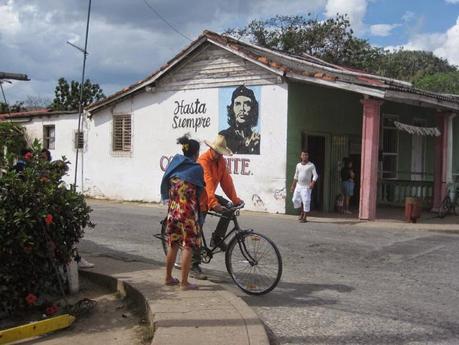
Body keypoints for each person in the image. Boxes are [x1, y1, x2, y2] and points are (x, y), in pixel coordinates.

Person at [190, 134, 243, 280]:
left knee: (230, 208)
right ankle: (194, 266)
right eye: (217, 151)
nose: (219, 154)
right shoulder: (203, 161)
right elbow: (206, 181)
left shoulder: (220, 161)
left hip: (210, 194)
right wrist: (213, 204)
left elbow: (226, 181)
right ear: (211, 149)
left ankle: (217, 238)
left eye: (221, 152)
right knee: (197, 230)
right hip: (199, 197)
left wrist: (235, 199)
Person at [160, 134, 204, 290]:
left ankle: (168, 277)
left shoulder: (174, 166)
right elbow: (199, 192)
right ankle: (184, 283)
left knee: (173, 244)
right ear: (196, 154)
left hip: (173, 213)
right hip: (187, 214)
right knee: (188, 246)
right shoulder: (196, 169)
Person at [219, 85, 260, 154]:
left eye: (247, 104)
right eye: (238, 104)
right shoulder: (223, 136)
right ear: (232, 109)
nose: (242, 109)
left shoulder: (257, 140)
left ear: (253, 109)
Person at [290, 151, 319, 223]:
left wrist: (312, 183)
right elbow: (296, 176)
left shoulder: (311, 165)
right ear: (301, 156)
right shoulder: (298, 165)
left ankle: (305, 217)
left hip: (306, 187)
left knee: (306, 201)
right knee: (295, 200)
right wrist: (293, 185)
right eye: (303, 155)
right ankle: (302, 211)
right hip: (298, 185)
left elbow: (315, 175)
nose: (305, 156)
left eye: (306, 155)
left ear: (308, 156)